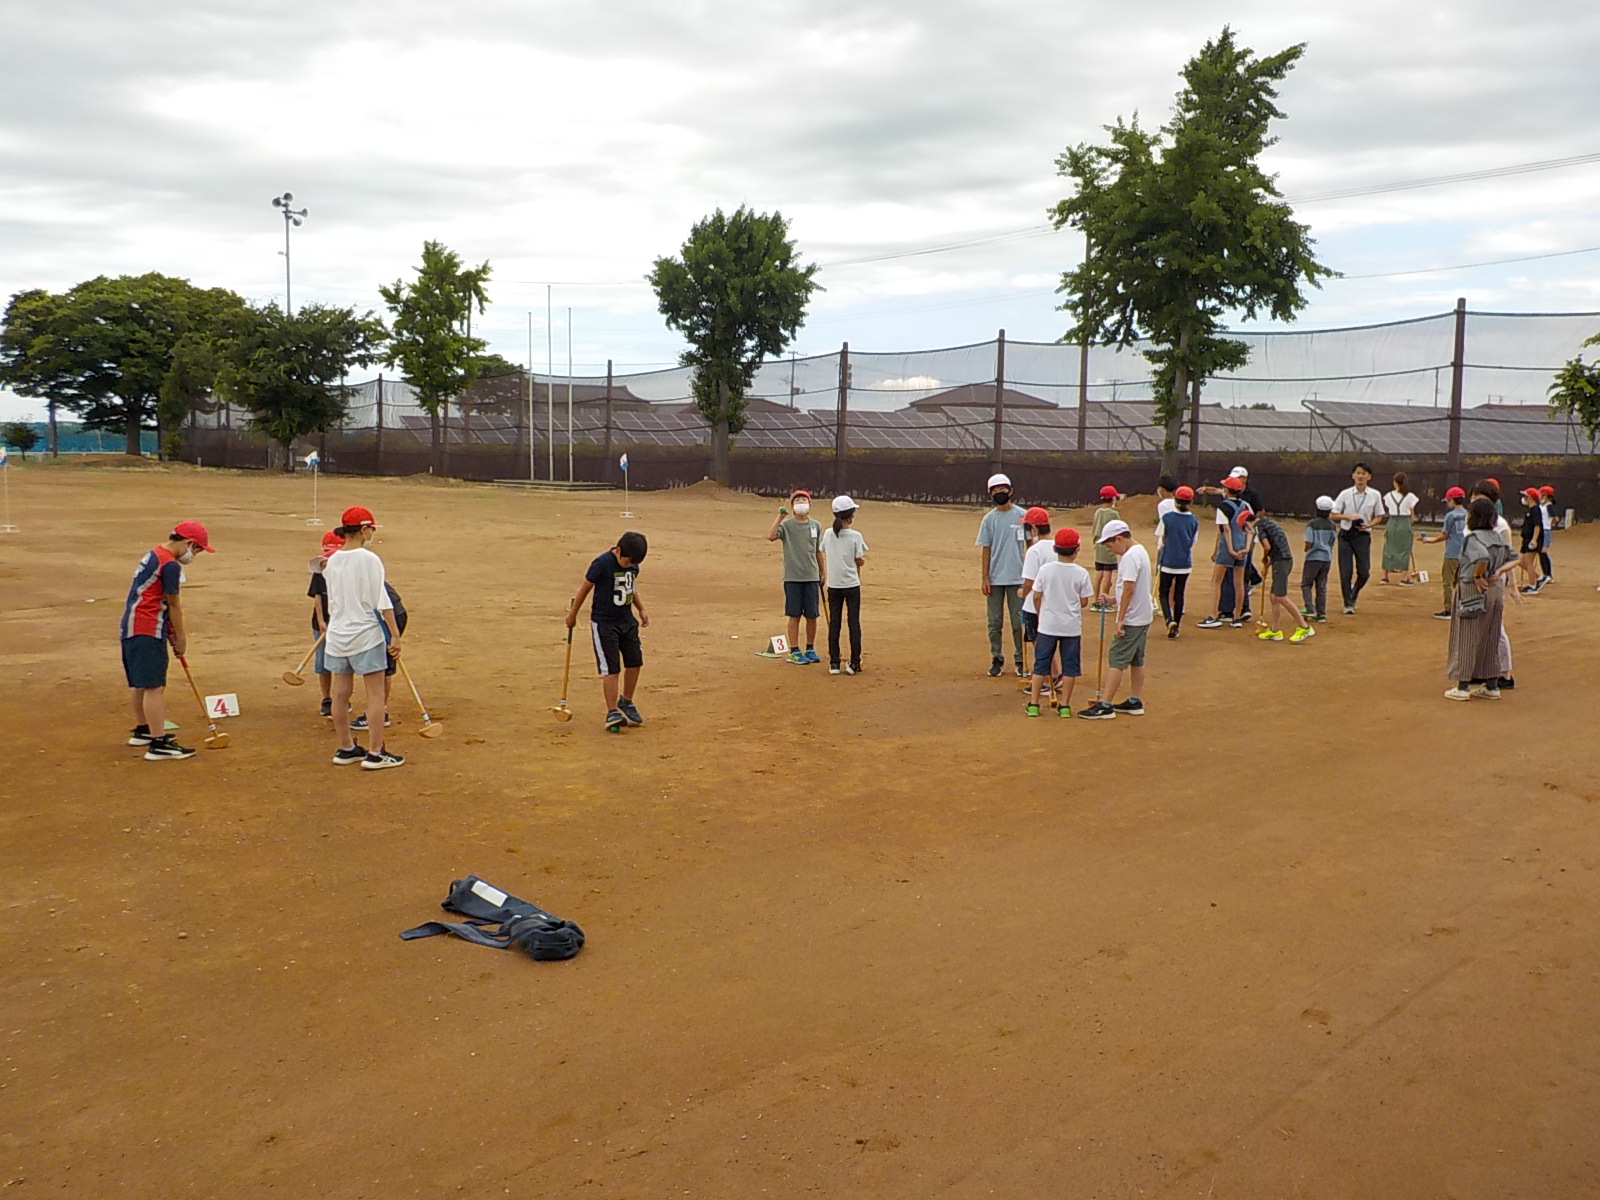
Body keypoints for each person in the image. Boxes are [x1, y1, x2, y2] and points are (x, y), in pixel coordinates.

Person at [121, 520, 214, 760]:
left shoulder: (154, 553)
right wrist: (181, 637)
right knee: (154, 686)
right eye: (197, 550)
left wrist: (169, 631)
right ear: (189, 543)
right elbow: (173, 604)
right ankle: (159, 742)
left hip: (133, 625)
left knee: (141, 683)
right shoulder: (170, 565)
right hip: (148, 626)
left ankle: (143, 730)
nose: (195, 555)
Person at [322, 506, 405, 770]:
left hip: (337, 636)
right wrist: (394, 635)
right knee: (375, 694)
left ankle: (346, 747)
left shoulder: (332, 560)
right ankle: (375, 752)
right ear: (363, 529)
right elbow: (382, 602)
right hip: (365, 635)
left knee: (340, 694)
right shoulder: (370, 559)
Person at [566, 531, 650, 732]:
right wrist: (573, 615)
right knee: (611, 668)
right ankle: (612, 711)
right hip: (605, 623)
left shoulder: (632, 564)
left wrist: (641, 608)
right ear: (618, 550)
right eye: (627, 561)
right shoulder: (601, 564)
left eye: (633, 563)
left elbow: (632, 587)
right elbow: (585, 588)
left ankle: (626, 702)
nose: (630, 565)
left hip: (626, 620)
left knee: (635, 661)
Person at [1444, 498, 1517, 701]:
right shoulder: (1497, 536)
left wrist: (1478, 576)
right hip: (1495, 589)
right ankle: (1491, 685)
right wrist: (1499, 571)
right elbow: (1515, 558)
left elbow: (1482, 557)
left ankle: (1462, 686)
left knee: (1467, 637)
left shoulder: (1473, 538)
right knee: (1490, 637)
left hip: (1473, 589)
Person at [1080, 519, 1152, 720]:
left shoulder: (1130, 557)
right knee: (1137, 659)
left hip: (1131, 618)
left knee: (1117, 658)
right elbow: (1130, 589)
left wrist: (1120, 619)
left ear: (1119, 539)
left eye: (1110, 545)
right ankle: (1134, 700)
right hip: (1142, 615)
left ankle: (1105, 704)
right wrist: (1113, 599)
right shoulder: (1140, 551)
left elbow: (1129, 588)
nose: (1110, 549)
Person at [1026, 528, 1094, 718]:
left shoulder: (1045, 570)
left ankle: (1033, 703)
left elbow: (1037, 595)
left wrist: (1041, 614)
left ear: (1055, 548)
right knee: (1070, 667)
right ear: (1077, 549)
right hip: (1071, 627)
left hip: (1048, 625)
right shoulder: (1081, 573)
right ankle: (1064, 705)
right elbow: (1084, 601)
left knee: (1041, 665)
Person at [767, 489, 826, 665]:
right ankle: (794, 650)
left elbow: (818, 551)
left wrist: (823, 572)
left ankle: (810, 648)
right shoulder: (787, 526)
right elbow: (770, 536)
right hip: (793, 577)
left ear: (810, 504)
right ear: (792, 506)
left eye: (804, 500)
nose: (801, 503)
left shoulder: (815, 525)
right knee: (794, 615)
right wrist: (780, 516)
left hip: (811, 576)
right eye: (797, 501)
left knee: (812, 615)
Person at [976, 473, 1027, 677]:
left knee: (1018, 622)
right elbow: (986, 549)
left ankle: (1021, 659)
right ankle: (996, 658)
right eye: (995, 491)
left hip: (1018, 578)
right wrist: (985, 577)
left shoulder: (1023, 516)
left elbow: (1031, 545)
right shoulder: (989, 520)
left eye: (1003, 489)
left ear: (1011, 490)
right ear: (990, 494)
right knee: (994, 622)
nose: (1000, 493)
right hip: (996, 579)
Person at [1469, 479, 1516, 690]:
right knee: (1476, 624)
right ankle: (1481, 670)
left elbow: (1509, 556)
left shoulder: (1501, 525)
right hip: (1473, 577)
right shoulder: (1469, 520)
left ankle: (1505, 672)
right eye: (1473, 496)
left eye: (1479, 497)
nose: (1474, 501)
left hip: (1492, 579)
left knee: (1496, 625)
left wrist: (1512, 584)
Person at [1247, 511, 1312, 643]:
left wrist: (1265, 559)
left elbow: (1267, 546)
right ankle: (1275, 630)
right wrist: (1269, 562)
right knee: (1273, 596)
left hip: (1281, 562)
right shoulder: (1269, 523)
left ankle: (1304, 627)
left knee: (1281, 596)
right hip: (1283, 560)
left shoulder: (1259, 527)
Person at [821, 495, 868, 675]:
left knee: (835, 623)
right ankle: (854, 661)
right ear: (850, 515)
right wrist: (859, 565)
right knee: (853, 622)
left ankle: (834, 662)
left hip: (834, 585)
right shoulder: (856, 536)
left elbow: (824, 550)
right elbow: (858, 559)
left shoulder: (827, 533)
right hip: (851, 585)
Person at [1196, 475, 1251, 629]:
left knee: (1216, 581)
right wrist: (1246, 548)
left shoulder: (1223, 507)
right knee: (1239, 583)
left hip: (1228, 548)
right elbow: (1249, 528)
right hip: (1242, 547)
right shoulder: (1245, 506)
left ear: (1227, 490)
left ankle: (1213, 616)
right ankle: (1237, 617)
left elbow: (1225, 529)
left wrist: (1230, 549)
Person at [1330, 461, 1384, 614]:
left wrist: (1369, 525)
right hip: (1346, 535)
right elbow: (1333, 514)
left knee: (1364, 572)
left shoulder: (1375, 494)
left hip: (1363, 535)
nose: (1361, 476)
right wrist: (1348, 516)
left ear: (1369, 477)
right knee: (1345, 571)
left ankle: (1354, 593)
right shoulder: (1345, 494)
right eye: (1358, 473)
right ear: (1353, 476)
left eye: (1364, 473)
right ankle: (1348, 603)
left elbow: (1379, 516)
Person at [1017, 506, 1054, 692]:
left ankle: (1046, 680)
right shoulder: (1058, 546)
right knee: (1049, 639)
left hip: (1033, 604)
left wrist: (1022, 593)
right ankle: (1056, 675)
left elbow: (1029, 581)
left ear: (1033, 528)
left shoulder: (1034, 551)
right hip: (1053, 603)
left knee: (1038, 642)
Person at [307, 530, 343, 718]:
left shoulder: (345, 570)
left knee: (340, 663)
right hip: (322, 624)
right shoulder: (319, 571)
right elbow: (318, 597)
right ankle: (326, 698)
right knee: (322, 664)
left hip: (342, 623)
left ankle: (341, 697)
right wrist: (321, 621)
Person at [1157, 485, 1199, 639]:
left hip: (1168, 561)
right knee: (1179, 594)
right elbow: (1193, 541)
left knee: (1163, 592)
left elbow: (1162, 538)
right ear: (1191, 501)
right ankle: (1177, 624)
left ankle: (1169, 620)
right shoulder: (1194, 520)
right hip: (1184, 563)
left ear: (1175, 500)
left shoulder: (1167, 518)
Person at [1421, 486, 1467, 619]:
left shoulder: (1450, 516)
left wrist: (1430, 540)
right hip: (1465, 553)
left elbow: (1444, 535)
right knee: (1461, 582)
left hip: (1452, 553)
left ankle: (1449, 610)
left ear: (1452, 500)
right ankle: (1462, 606)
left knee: (1448, 582)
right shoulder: (1468, 514)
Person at [1299, 496, 1337, 623]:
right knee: (1321, 585)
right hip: (1326, 558)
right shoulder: (1332, 525)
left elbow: (1309, 541)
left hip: (1313, 557)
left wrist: (1306, 550)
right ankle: (1321, 613)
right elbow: (1332, 541)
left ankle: (1309, 607)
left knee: (1306, 583)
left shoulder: (1312, 524)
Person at [1379, 472, 1419, 584]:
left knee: (1388, 547)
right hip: (1404, 522)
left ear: (1395, 483)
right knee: (1405, 549)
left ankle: (1384, 577)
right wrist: (1411, 525)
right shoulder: (1410, 496)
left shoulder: (1388, 496)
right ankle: (1403, 578)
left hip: (1392, 522)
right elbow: (1412, 513)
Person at [1089, 485, 1122, 611]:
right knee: (1108, 573)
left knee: (1099, 573)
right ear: (1112, 499)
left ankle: (1096, 601)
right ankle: (1104, 602)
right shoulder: (1114, 514)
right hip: (1109, 545)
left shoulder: (1097, 512)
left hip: (1098, 545)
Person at [1516, 488, 1546, 594]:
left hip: (1532, 539)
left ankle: (1532, 586)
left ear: (1530, 497)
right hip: (1526, 538)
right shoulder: (1530, 510)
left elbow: (1537, 526)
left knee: (1529, 562)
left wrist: (1534, 539)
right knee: (1519, 560)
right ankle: (1538, 577)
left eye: (1525, 496)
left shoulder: (1535, 510)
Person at [1537, 485, 1558, 584]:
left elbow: (1555, 518)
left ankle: (1549, 575)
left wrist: (1550, 524)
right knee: (1541, 553)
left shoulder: (1549, 506)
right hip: (1541, 530)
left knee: (1544, 552)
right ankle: (1545, 574)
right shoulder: (1541, 505)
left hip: (1546, 530)